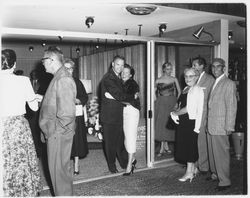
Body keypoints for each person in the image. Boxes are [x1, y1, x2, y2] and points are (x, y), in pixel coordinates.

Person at [0, 49, 41, 196]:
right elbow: (34, 107)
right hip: (17, 126)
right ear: (14, 64)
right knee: (20, 162)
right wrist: (35, 98)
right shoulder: (23, 80)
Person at [39, 46, 77, 196]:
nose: (43, 63)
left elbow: (67, 115)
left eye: (44, 60)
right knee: (60, 174)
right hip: (57, 134)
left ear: (52, 60)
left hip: (58, 135)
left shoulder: (63, 79)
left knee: (59, 175)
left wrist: (55, 133)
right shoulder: (59, 77)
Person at [99, 55, 134, 174]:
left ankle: (125, 163)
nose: (120, 67)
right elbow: (119, 95)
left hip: (117, 114)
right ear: (112, 64)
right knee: (110, 143)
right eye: (118, 64)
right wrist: (132, 97)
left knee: (119, 141)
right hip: (109, 117)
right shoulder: (108, 78)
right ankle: (112, 166)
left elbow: (119, 95)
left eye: (122, 65)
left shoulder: (117, 77)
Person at [207, 58, 237, 191]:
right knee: (213, 152)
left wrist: (229, 126)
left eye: (217, 67)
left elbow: (231, 106)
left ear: (223, 68)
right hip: (212, 124)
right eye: (213, 67)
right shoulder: (215, 82)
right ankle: (215, 174)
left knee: (221, 154)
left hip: (221, 125)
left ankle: (225, 181)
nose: (214, 69)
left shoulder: (229, 83)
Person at [105, 64, 140, 176]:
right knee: (125, 139)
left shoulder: (132, 84)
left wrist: (112, 97)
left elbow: (128, 100)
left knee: (130, 138)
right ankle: (133, 160)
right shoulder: (120, 83)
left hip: (131, 111)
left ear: (130, 75)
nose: (124, 74)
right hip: (122, 111)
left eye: (127, 73)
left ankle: (129, 165)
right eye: (123, 72)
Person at [171, 67, 204, 182]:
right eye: (186, 76)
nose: (188, 78)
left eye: (191, 76)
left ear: (196, 77)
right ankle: (194, 169)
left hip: (191, 122)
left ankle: (189, 172)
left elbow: (189, 109)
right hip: (183, 121)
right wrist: (175, 109)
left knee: (189, 146)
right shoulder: (186, 88)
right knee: (186, 145)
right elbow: (180, 103)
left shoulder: (197, 89)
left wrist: (175, 113)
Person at [64, 58, 89, 175]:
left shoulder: (77, 82)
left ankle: (76, 166)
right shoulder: (59, 82)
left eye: (71, 68)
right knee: (66, 141)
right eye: (66, 68)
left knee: (77, 141)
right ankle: (66, 164)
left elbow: (84, 97)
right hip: (64, 115)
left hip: (77, 114)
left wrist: (79, 100)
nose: (69, 70)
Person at [192, 57, 215, 175]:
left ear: (201, 66)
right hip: (193, 114)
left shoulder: (210, 79)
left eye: (195, 65)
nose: (193, 68)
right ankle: (195, 163)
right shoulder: (193, 78)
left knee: (202, 142)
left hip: (204, 114)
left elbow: (212, 99)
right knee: (194, 141)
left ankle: (204, 167)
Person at [155, 62, 181, 156]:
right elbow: (153, 92)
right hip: (161, 102)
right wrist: (156, 101)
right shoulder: (158, 80)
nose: (169, 71)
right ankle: (162, 147)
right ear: (163, 69)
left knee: (168, 123)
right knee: (162, 124)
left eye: (171, 69)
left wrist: (177, 103)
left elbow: (179, 92)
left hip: (171, 102)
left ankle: (165, 146)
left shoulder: (174, 79)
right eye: (168, 69)